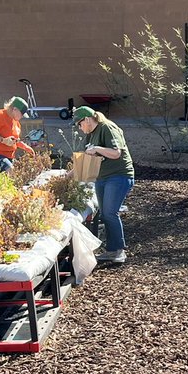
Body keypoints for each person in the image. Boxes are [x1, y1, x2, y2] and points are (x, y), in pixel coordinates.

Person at [72, 105, 134, 265]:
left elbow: (116, 153)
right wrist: (69, 174)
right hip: (102, 177)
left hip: (119, 176)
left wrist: (97, 148)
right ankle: (111, 250)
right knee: (104, 213)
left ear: (87, 119)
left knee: (110, 213)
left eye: (80, 124)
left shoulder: (107, 127)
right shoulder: (90, 135)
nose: (79, 128)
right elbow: (86, 157)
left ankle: (119, 251)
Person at [0, 96, 28, 173]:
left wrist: (26, 147)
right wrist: (3, 140)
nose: (22, 117)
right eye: (21, 114)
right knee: (10, 170)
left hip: (10, 156)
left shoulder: (16, 123)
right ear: (15, 109)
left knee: (22, 171)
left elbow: (15, 141)